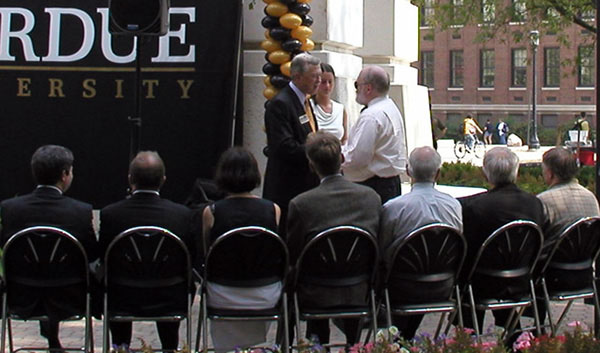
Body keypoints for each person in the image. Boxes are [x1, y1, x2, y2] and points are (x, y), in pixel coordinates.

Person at [287, 131, 381, 346]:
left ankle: (316, 345)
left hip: (315, 291)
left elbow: (293, 253)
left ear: (311, 165)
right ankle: (354, 345)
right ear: (342, 159)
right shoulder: (371, 198)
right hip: (359, 290)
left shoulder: (301, 204)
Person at [0, 145, 98, 351]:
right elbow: (91, 254)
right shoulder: (79, 212)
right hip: (70, 296)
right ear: (65, 174)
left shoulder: (10, 209)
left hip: (21, 296)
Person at [99, 151, 196, 352]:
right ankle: (170, 347)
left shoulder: (111, 215)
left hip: (123, 296)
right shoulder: (182, 215)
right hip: (169, 296)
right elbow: (190, 259)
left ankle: (120, 346)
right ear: (163, 180)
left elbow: (103, 256)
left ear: (130, 179)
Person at [201, 147, 282, 352]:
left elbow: (207, 253)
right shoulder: (273, 209)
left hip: (223, 292)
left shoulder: (211, 213)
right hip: (265, 293)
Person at [458, 147, 544, 335]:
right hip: (521, 278)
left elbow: (467, 250)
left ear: (485, 174)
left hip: (482, 283)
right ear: (516, 172)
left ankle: (467, 338)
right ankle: (515, 337)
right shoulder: (535, 204)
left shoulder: (475, 207)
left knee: (465, 282)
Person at [379, 146, 462, 339]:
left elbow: (382, 250)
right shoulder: (454, 206)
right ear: (438, 173)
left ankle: (399, 339)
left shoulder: (394, 208)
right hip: (443, 285)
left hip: (401, 287)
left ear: (408, 171)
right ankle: (405, 337)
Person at [263, 53, 322, 236]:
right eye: (314, 76)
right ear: (296, 77)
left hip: (306, 185)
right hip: (287, 188)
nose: (319, 81)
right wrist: (320, 151)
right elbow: (284, 147)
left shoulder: (306, 100)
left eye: (320, 76)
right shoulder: (281, 104)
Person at [342, 65, 407, 204]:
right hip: (390, 183)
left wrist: (336, 157)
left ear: (368, 88)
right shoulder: (390, 107)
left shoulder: (371, 116)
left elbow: (358, 158)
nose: (356, 90)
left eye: (357, 84)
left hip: (373, 186)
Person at [537, 147, 600, 250]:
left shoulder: (543, 200)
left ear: (550, 174)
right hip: (586, 258)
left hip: (552, 261)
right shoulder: (591, 197)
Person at [311, 63, 348, 144]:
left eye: (330, 82)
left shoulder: (340, 109)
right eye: (323, 82)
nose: (327, 86)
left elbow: (344, 139)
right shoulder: (309, 107)